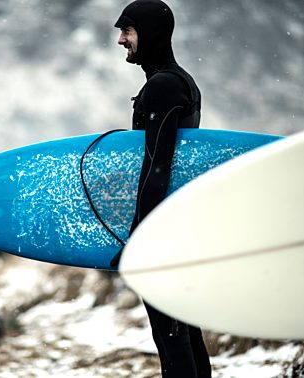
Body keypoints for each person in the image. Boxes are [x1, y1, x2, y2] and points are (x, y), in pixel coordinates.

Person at [113, 1, 212, 376]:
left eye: (128, 31)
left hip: (163, 226)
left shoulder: (164, 86)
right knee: (184, 327)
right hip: (178, 219)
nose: (122, 40)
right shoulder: (180, 79)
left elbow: (157, 165)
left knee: (171, 335)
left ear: (150, 34)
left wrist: (140, 235)